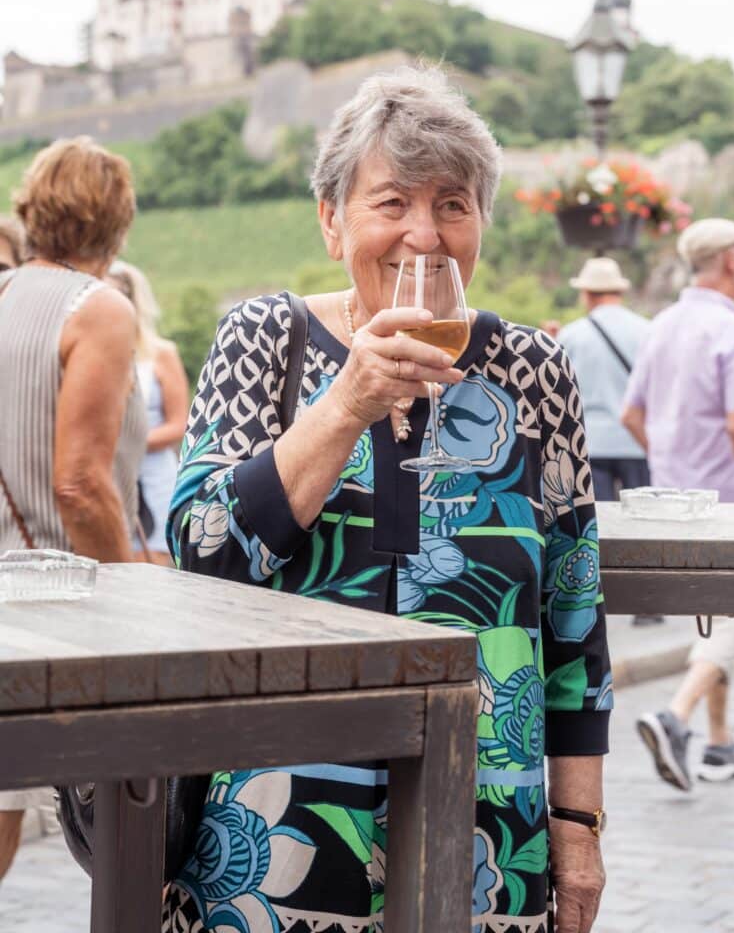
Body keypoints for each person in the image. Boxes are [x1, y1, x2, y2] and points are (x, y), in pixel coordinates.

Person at [162, 67, 612, 933]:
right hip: (273, 817)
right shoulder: (265, 339)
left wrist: (578, 826)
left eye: (452, 203)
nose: (425, 234)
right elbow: (203, 551)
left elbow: (573, 618)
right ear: (333, 222)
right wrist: (347, 402)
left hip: (488, 831)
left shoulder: (533, 367)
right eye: (391, 202)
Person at [0, 137, 147, 880]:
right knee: (124, 834)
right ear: (118, 220)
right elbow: (81, 485)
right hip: (62, 610)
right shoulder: (100, 311)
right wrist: (135, 597)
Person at [622, 218, 734, 790]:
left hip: (671, 502)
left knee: (718, 621)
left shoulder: (662, 325)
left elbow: (633, 415)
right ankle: (675, 716)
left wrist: (673, 464)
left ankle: (719, 741)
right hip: (730, 502)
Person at [108, 261, 189, 565]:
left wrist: (124, 443)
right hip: (111, 474)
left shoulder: (161, 354)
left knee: (150, 562)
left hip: (152, 475)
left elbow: (178, 425)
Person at [558, 257, 651, 502]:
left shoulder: (571, 334)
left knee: (599, 522)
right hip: (637, 441)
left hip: (590, 443)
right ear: (620, 291)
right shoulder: (647, 330)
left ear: (586, 293)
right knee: (643, 520)